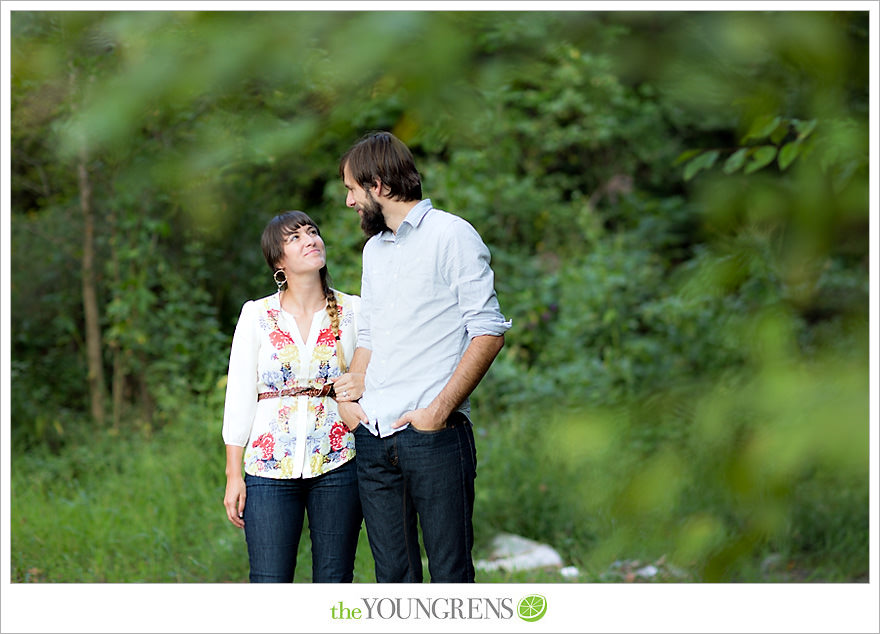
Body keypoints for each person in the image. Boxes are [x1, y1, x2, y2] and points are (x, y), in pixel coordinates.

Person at [336, 131, 511, 583]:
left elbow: (488, 331)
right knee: (393, 580)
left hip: (433, 436)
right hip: (374, 436)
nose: (350, 202)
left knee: (450, 577)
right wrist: (352, 403)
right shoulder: (375, 250)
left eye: (353, 190)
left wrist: (436, 412)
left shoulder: (452, 235)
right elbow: (370, 333)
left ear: (378, 184)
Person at [221, 210, 364, 583]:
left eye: (313, 232)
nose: (310, 240)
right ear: (278, 260)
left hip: (339, 461)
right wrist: (234, 475)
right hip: (268, 467)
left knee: (334, 580)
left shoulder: (354, 311)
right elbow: (239, 395)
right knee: (270, 581)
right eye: (295, 237)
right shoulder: (256, 315)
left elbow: (374, 377)